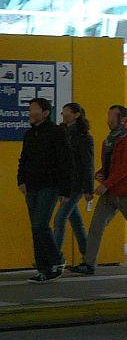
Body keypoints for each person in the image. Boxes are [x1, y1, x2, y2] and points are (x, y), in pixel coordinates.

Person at [67, 104, 127, 276]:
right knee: (96, 227)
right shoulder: (109, 140)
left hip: (126, 192)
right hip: (111, 192)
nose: (108, 120)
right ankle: (89, 263)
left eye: (112, 116)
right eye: (108, 116)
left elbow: (125, 167)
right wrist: (100, 174)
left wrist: (105, 184)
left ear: (123, 119)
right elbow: (110, 166)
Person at [17, 97, 73, 282]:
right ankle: (43, 268)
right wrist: (21, 180)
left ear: (45, 113)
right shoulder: (30, 135)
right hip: (31, 187)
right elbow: (23, 159)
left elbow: (66, 162)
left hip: (49, 186)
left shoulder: (56, 133)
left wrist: (65, 190)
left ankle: (57, 260)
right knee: (36, 228)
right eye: (30, 109)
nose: (30, 113)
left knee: (40, 224)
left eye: (34, 109)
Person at [53, 102, 94, 269]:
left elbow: (87, 163)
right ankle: (88, 258)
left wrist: (88, 188)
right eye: (63, 112)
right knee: (76, 221)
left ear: (77, 114)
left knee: (60, 219)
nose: (63, 115)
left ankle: (53, 257)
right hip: (64, 184)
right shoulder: (61, 134)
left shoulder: (84, 138)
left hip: (75, 185)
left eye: (66, 112)